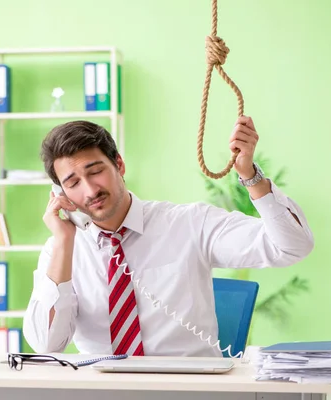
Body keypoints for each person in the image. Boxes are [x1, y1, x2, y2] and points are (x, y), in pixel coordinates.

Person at [22, 117, 314, 357]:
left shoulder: (190, 223)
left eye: (95, 171)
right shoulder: (60, 250)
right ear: (60, 194)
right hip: (106, 390)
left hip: (186, 390)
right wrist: (63, 242)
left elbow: (291, 247)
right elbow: (47, 345)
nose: (89, 190)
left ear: (119, 165)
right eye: (72, 183)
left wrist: (251, 176)